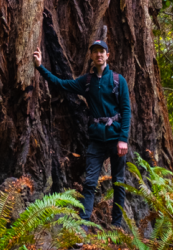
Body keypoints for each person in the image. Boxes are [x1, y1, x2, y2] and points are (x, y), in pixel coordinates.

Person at [33, 40, 131, 231]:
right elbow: (61, 84)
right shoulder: (86, 82)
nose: (99, 55)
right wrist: (40, 67)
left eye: (102, 51)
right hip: (96, 140)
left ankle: (117, 226)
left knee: (119, 182)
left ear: (107, 55)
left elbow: (126, 110)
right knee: (89, 183)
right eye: (95, 52)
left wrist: (123, 139)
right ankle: (83, 228)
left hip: (115, 138)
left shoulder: (119, 80)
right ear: (92, 57)